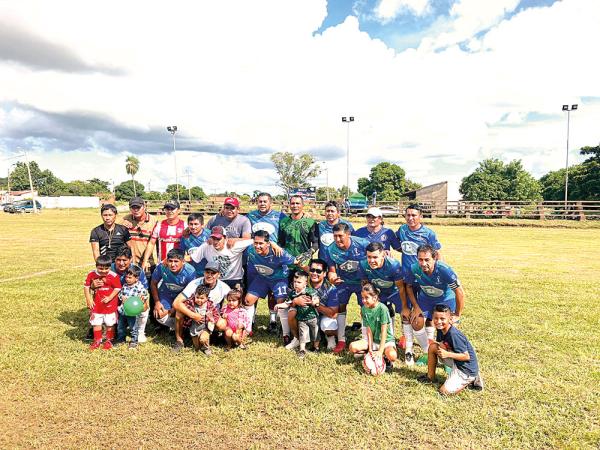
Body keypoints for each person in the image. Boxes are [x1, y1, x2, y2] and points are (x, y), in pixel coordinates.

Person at [403, 244, 465, 366]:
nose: (423, 263)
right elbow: (408, 286)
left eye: (427, 259)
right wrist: (416, 306)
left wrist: (457, 314)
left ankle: (449, 360)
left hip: (445, 300)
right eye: (420, 259)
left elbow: (460, 292)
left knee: (449, 329)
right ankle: (427, 351)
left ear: (435, 258)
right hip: (425, 299)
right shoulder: (414, 268)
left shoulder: (444, 270)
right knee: (416, 321)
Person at [358, 242, 412, 364]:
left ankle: (409, 348)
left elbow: (401, 288)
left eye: (375, 257)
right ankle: (368, 343)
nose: (371, 260)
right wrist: (369, 302)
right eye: (369, 257)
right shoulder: (363, 264)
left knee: (405, 315)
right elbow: (366, 285)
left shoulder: (393, 265)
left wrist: (404, 306)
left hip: (394, 292)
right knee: (369, 311)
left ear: (383, 255)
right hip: (378, 292)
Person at [243, 230, 299, 344]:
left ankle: (286, 333)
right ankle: (248, 330)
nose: (258, 246)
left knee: (281, 302)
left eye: (261, 243)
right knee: (248, 300)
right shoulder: (250, 250)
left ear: (268, 243)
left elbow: (295, 261)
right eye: (256, 243)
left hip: (278, 279)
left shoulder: (278, 252)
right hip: (262, 277)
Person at [323, 222, 370, 354]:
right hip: (344, 281)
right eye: (335, 236)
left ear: (348, 234)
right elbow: (332, 270)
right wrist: (332, 276)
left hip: (362, 282)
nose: (337, 239)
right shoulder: (331, 249)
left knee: (365, 308)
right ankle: (341, 340)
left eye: (340, 236)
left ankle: (366, 339)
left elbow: (375, 256)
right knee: (341, 307)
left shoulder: (362, 244)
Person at [417, 304, 483, 395]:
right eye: (436, 318)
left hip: (466, 367)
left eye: (442, 319)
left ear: (450, 319)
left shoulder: (454, 334)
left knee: (444, 392)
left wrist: (448, 354)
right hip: (456, 360)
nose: (438, 321)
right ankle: (430, 377)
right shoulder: (440, 328)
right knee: (433, 347)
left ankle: (471, 379)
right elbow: (440, 343)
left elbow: (466, 356)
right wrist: (441, 345)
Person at [246, 192, 287, 330]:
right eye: (260, 201)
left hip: (272, 259)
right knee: (252, 290)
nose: (262, 204)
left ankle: (273, 320)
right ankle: (251, 319)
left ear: (271, 202)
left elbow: (287, 231)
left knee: (272, 291)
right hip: (254, 259)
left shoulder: (280, 216)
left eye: (265, 201)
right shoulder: (250, 216)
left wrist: (276, 245)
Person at [173, 261, 231, 350]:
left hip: (210, 316)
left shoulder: (224, 287)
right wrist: (193, 315)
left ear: (218, 275)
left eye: (213, 273)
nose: (209, 275)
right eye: (207, 272)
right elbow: (176, 303)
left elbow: (235, 303)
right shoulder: (194, 284)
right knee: (179, 313)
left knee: (222, 324)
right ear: (204, 272)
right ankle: (179, 341)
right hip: (193, 315)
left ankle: (212, 335)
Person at [287, 258, 339, 351]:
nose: (314, 273)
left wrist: (316, 305)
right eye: (312, 270)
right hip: (304, 314)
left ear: (324, 273)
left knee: (328, 326)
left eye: (318, 271)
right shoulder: (301, 282)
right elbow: (289, 300)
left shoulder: (331, 289)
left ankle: (329, 336)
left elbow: (334, 314)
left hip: (323, 315)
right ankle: (297, 338)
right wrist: (295, 301)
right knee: (291, 312)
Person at [150, 248, 196, 349]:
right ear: (167, 260)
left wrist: (172, 310)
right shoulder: (162, 267)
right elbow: (153, 283)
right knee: (159, 315)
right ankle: (176, 327)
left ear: (183, 262)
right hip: (166, 294)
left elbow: (191, 294)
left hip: (182, 297)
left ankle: (182, 332)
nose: (172, 264)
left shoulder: (190, 271)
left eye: (176, 261)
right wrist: (157, 303)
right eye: (170, 261)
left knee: (178, 312)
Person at [348, 283, 397, 371]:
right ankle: (369, 353)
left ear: (374, 297)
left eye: (366, 298)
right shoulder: (364, 309)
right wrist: (370, 349)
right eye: (362, 298)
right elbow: (369, 330)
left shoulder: (383, 309)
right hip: (373, 340)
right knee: (352, 347)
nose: (363, 300)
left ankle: (384, 356)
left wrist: (381, 351)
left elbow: (384, 332)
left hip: (385, 341)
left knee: (392, 356)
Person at [188, 226, 253, 290]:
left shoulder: (234, 245)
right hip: (216, 279)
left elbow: (253, 241)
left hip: (235, 279)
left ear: (225, 238)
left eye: (218, 239)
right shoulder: (207, 245)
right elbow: (192, 258)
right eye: (213, 238)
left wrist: (236, 239)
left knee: (235, 299)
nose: (215, 242)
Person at [276, 271, 319, 358]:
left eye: (299, 282)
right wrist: (278, 305)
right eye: (294, 282)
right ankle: (302, 350)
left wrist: (314, 302)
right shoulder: (292, 294)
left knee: (315, 334)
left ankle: (316, 347)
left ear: (305, 283)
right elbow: (287, 303)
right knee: (302, 334)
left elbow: (316, 299)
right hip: (301, 318)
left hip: (312, 317)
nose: (296, 284)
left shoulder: (309, 291)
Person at [111, 246, 150, 343]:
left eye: (124, 260)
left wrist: (145, 305)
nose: (121, 263)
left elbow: (145, 291)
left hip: (133, 299)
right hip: (115, 299)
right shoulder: (109, 269)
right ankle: (107, 327)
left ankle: (140, 331)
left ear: (131, 259)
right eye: (118, 260)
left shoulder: (137, 271)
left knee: (144, 306)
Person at [84, 255, 122, 350]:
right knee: (96, 323)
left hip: (110, 306)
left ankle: (109, 340)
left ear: (110, 267)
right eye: (101, 268)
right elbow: (86, 287)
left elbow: (117, 288)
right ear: (96, 266)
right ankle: (97, 340)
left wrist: (109, 297)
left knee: (110, 323)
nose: (103, 271)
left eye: (106, 268)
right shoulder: (91, 274)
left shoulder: (113, 276)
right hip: (97, 306)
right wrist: (89, 299)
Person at [278, 195, 319, 277]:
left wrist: (309, 253)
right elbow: (280, 242)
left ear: (302, 205)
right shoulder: (283, 222)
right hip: (287, 263)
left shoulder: (310, 222)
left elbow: (316, 243)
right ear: (289, 205)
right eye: (292, 203)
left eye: (298, 203)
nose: (295, 206)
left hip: (304, 263)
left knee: (303, 288)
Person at [142, 200, 185, 272]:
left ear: (179, 210)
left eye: (172, 209)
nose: (170, 211)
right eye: (167, 209)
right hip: (162, 265)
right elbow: (151, 243)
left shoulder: (185, 226)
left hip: (179, 267)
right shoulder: (159, 225)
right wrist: (145, 261)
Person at [180, 285, 221, 356]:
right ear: (194, 295)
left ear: (207, 298)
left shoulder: (209, 305)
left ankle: (206, 348)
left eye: (202, 298)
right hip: (194, 328)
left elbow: (216, 315)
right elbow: (184, 307)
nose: (199, 300)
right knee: (197, 347)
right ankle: (198, 348)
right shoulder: (190, 303)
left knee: (203, 339)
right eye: (197, 297)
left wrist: (211, 319)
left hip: (205, 327)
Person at [115, 265, 149, 349]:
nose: (127, 279)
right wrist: (121, 297)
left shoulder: (139, 287)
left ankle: (134, 341)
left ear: (136, 278)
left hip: (133, 312)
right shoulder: (125, 286)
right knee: (120, 326)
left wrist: (141, 298)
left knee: (133, 326)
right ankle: (120, 339)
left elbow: (144, 295)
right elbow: (120, 294)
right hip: (123, 310)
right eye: (126, 277)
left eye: (130, 278)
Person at [120, 197, 157, 269]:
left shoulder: (153, 220)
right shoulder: (125, 219)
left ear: (144, 207)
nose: (136, 210)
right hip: (130, 263)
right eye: (133, 208)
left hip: (147, 264)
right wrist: (122, 224)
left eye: (138, 207)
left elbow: (156, 243)